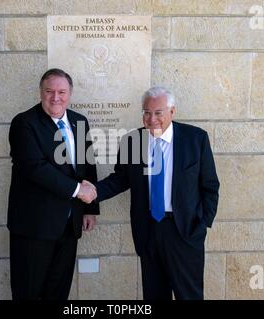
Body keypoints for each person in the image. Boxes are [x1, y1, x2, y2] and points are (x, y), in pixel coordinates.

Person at [91, 86, 219, 300]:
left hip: (184, 232)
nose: (152, 119)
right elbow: (120, 179)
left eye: (158, 112)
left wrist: (202, 223)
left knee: (189, 295)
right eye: (146, 112)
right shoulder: (132, 141)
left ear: (172, 112)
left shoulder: (195, 139)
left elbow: (210, 186)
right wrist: (92, 192)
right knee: (154, 296)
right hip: (148, 230)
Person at [7, 68, 99, 300]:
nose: (55, 97)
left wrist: (89, 209)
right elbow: (36, 169)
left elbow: (87, 167)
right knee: (28, 291)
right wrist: (80, 191)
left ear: (70, 93)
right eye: (49, 91)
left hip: (69, 225)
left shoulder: (79, 121)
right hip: (34, 227)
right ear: (41, 92)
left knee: (58, 290)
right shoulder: (24, 123)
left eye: (61, 92)